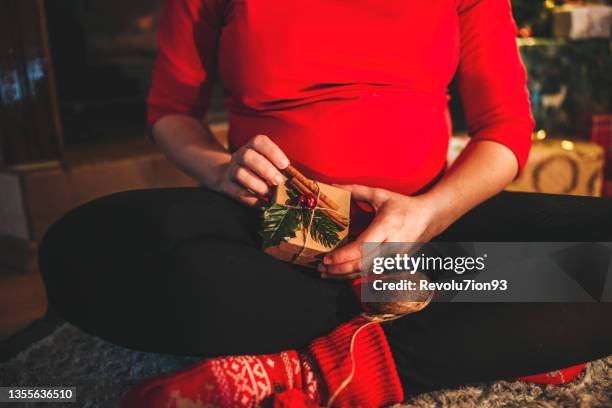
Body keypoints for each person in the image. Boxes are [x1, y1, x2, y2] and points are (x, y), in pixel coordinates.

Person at [38, 1, 612, 407]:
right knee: (78, 252)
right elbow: (170, 110)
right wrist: (221, 170)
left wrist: (425, 215)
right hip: (269, 236)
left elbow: (506, 129)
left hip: (422, 235)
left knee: (606, 260)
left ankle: (315, 371)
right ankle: (485, 314)